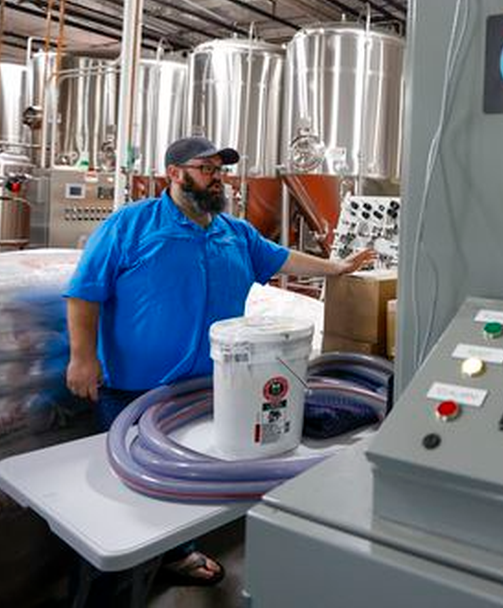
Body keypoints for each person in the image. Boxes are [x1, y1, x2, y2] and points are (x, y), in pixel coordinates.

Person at [64, 136, 376, 587]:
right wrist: (82, 358)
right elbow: (84, 292)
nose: (218, 178)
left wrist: (338, 268)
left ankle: (177, 555)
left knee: (190, 479)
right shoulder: (130, 225)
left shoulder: (234, 232)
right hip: (133, 391)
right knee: (125, 503)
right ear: (174, 173)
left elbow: (283, 257)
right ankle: (109, 585)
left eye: (221, 170)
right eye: (207, 169)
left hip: (210, 390)